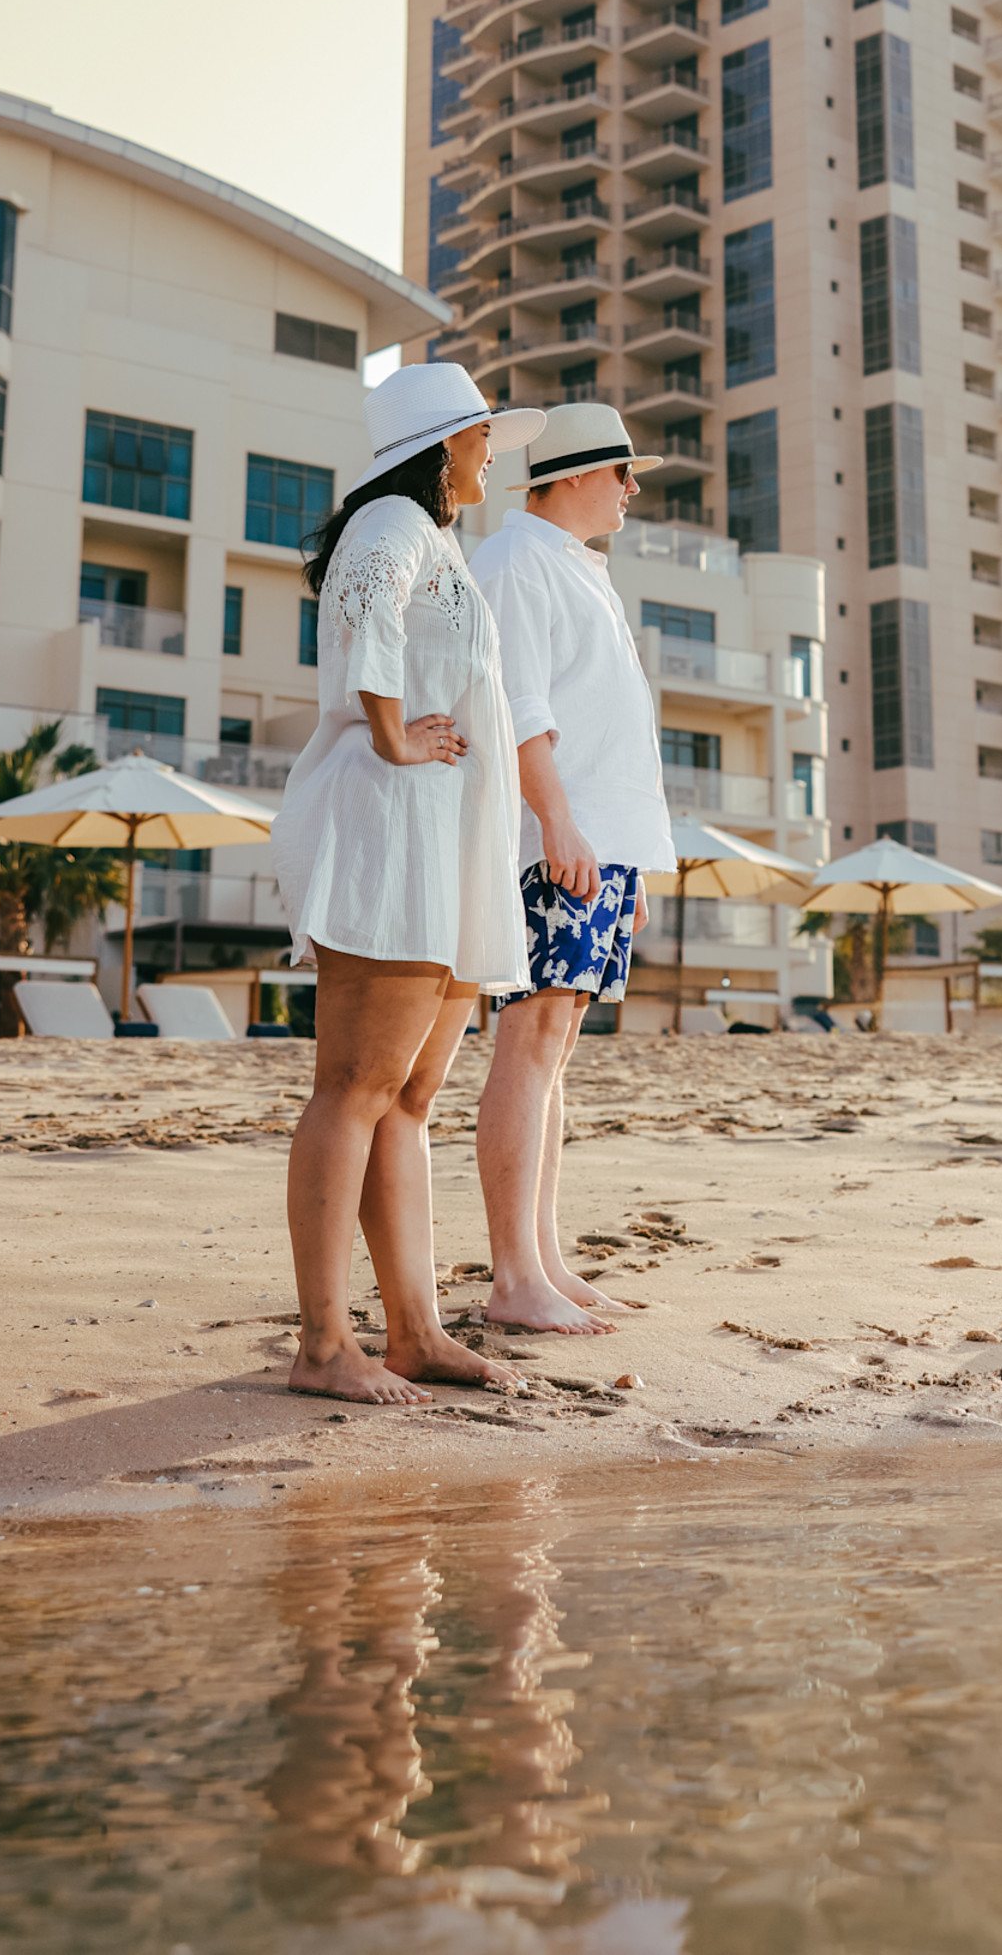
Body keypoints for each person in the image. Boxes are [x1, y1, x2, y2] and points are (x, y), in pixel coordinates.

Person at [271, 360, 546, 1406]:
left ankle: (415, 1331)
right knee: (355, 1085)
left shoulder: (440, 540)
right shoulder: (391, 522)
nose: (492, 453)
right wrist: (391, 732)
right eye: (482, 436)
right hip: (393, 829)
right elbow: (366, 604)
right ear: (441, 446)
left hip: (448, 842)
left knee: (410, 1097)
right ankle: (323, 1343)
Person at [469, 404, 671, 1335]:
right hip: (559, 837)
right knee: (533, 1038)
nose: (633, 490)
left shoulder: (578, 567)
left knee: (558, 1048)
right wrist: (559, 823)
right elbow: (520, 709)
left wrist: (628, 859)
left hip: (601, 844)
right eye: (625, 473)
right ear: (581, 473)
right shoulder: (517, 560)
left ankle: (544, 1260)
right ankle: (514, 1276)